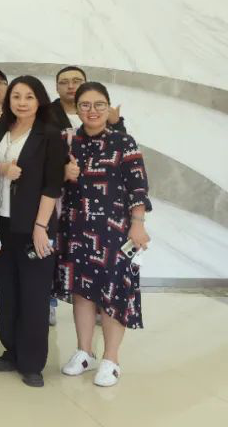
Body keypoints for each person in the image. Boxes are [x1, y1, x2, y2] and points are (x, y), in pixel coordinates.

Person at [56, 82, 151, 388]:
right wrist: (63, 173)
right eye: (85, 105)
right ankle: (84, 352)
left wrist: (138, 223)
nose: (92, 111)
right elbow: (49, 182)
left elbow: (138, 187)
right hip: (76, 228)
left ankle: (111, 359)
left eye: (99, 104)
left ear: (108, 108)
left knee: (114, 293)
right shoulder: (67, 141)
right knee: (82, 292)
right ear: (76, 108)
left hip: (115, 232)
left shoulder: (123, 141)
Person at [0, 76, 66, 388]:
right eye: (16, 96)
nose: (21, 102)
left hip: (34, 225)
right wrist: (0, 168)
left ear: (39, 101)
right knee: (7, 291)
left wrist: (41, 226)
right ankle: (11, 350)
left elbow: (52, 185)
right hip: (1, 223)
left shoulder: (50, 134)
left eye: (29, 97)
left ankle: (32, 362)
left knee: (34, 294)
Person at [50, 66, 126, 134]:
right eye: (64, 82)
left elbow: (122, 143)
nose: (70, 86)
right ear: (56, 88)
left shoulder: (104, 112)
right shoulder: (46, 115)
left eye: (76, 81)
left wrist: (116, 123)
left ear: (86, 84)